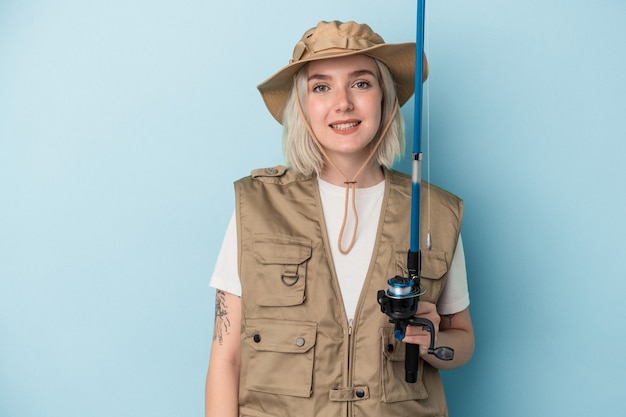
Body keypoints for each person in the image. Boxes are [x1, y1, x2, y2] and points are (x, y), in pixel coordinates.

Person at [205, 20, 474, 417]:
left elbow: (462, 341)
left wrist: (432, 341)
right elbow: (226, 359)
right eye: (321, 86)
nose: (343, 102)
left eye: (362, 83)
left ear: (386, 97)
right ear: (302, 105)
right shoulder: (257, 205)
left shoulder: (436, 211)